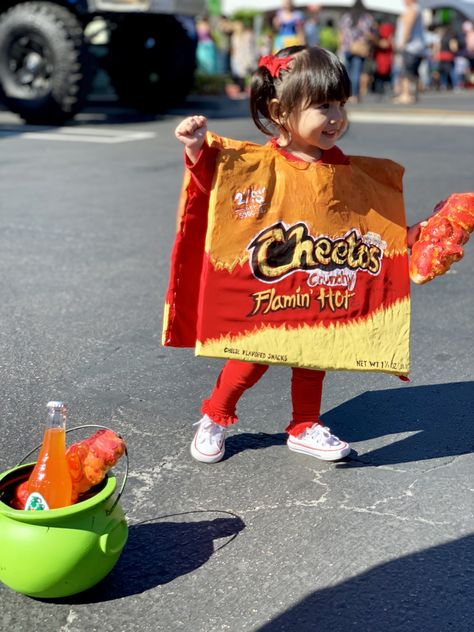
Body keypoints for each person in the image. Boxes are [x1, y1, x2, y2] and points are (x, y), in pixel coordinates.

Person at [170, 46, 427, 465]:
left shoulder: (343, 167)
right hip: (270, 283)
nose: (337, 117)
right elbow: (215, 195)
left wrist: (416, 236)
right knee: (251, 358)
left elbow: (370, 225)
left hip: (318, 281)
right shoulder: (257, 165)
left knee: (314, 354)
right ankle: (215, 414)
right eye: (323, 105)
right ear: (280, 110)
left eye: (341, 104)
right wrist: (198, 150)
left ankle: (304, 424)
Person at [338, 0, 377, 103]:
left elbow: (341, 32)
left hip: (347, 48)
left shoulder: (346, 16)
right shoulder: (366, 18)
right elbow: (369, 33)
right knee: (356, 72)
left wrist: (341, 46)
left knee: (348, 72)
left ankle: (347, 94)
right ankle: (354, 95)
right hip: (359, 49)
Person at [393, 0, 426, 104]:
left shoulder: (412, 10)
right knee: (414, 72)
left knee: (406, 71)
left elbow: (408, 27)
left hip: (410, 46)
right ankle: (414, 95)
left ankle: (405, 95)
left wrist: (402, 42)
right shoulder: (418, 9)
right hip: (417, 47)